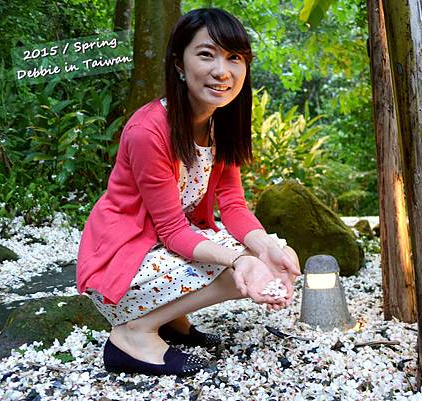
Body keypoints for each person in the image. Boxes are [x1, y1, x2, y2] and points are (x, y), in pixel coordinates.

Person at [76, 8, 301, 377]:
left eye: (234, 58)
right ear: (179, 63)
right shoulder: (149, 130)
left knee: (274, 250)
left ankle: (174, 323)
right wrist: (239, 261)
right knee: (238, 267)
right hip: (121, 261)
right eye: (206, 54)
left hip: (158, 249)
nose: (222, 71)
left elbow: (232, 205)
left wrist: (267, 250)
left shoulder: (220, 122)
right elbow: (172, 231)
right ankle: (133, 334)